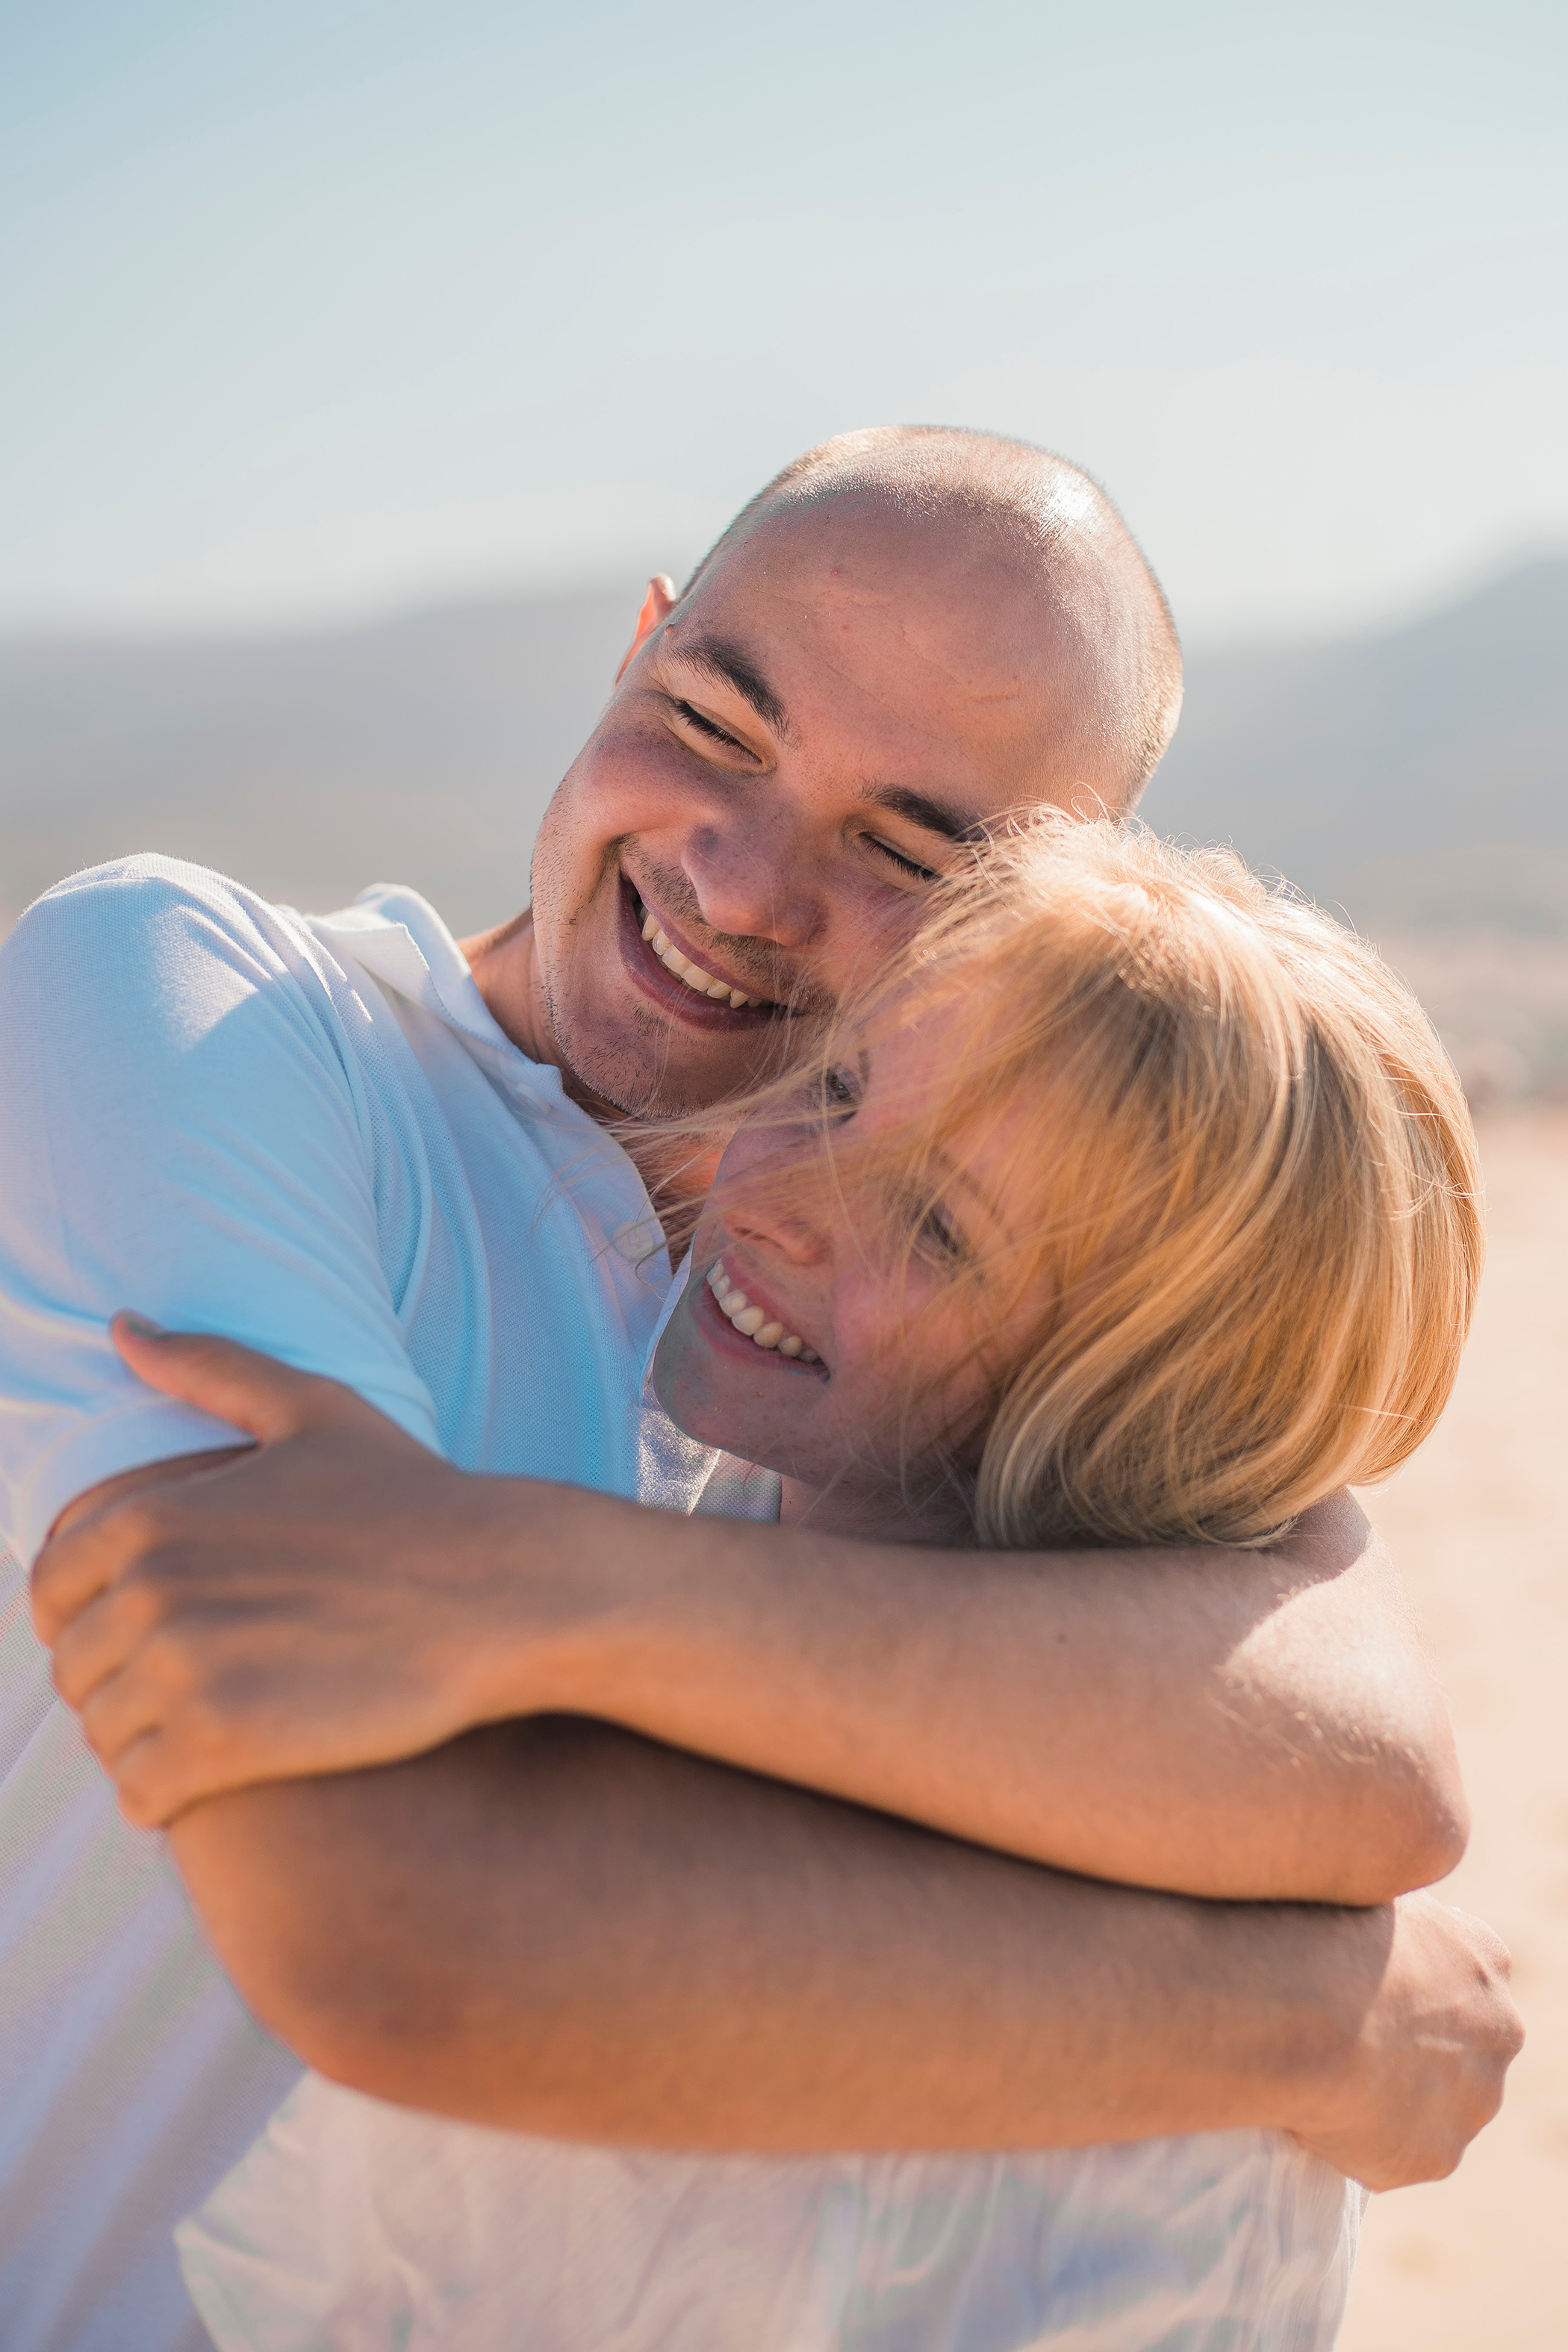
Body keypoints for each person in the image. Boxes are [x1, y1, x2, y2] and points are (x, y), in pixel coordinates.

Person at [1, 429, 1517, 2351]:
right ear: (635, 644)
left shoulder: (964, 1307)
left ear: (1039, 919)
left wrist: (508, 1582)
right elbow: (392, 1933)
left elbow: (1363, 1758)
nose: (740, 874)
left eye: (909, 846)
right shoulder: (213, 1010)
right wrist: (1304, 2020)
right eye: (714, 719)